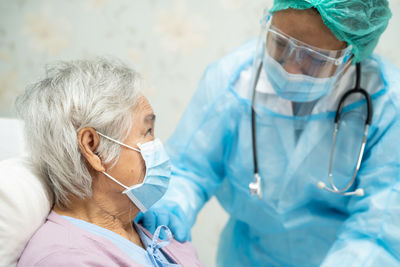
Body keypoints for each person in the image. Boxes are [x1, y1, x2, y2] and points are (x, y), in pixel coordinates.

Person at [137, 0, 400, 266]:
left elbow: (379, 232)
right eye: (280, 44)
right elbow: (189, 170)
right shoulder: (234, 81)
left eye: (314, 58)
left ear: (351, 55)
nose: (290, 68)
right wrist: (173, 206)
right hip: (245, 258)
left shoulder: (387, 106)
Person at [16, 58, 202, 266]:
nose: (158, 145)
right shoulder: (64, 259)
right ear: (93, 147)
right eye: (147, 131)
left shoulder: (148, 229)